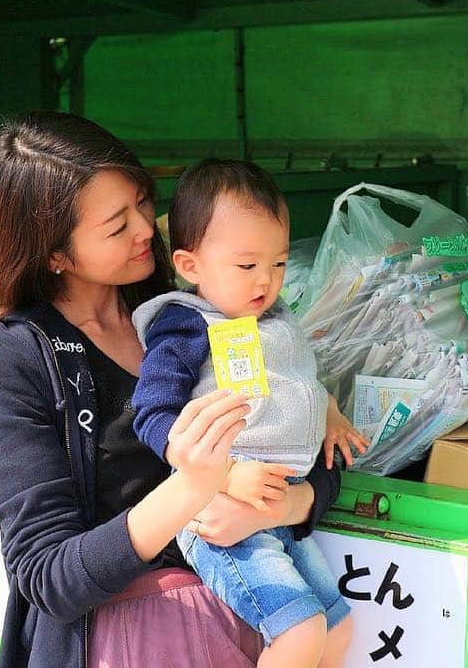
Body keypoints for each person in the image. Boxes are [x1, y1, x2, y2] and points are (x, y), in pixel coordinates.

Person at [0, 112, 343, 668]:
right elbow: (50, 577)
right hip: (131, 639)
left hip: (260, 613)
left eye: (142, 202)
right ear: (54, 253)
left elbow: (290, 441)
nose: (146, 229)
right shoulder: (12, 361)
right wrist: (194, 486)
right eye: (117, 226)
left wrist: (292, 501)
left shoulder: (194, 314)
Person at [131, 160, 370, 668]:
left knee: (340, 630)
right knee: (299, 634)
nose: (267, 280)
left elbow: (295, 385)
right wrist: (222, 473)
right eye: (247, 266)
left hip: (281, 509)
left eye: (279, 263)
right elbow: (151, 414)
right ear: (190, 265)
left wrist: (327, 411)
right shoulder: (187, 325)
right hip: (220, 517)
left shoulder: (276, 319)